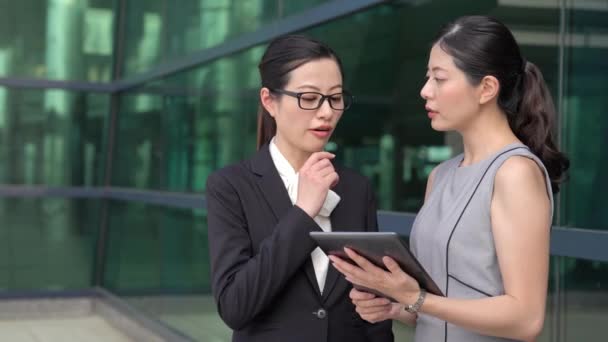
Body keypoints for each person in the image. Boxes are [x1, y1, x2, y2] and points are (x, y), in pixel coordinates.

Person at [329, 15, 569, 342]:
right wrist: (397, 306)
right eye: (428, 77)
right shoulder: (440, 176)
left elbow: (526, 319)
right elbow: (445, 308)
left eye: (439, 78)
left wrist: (417, 298)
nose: (425, 91)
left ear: (486, 88)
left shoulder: (515, 173)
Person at [205, 34, 393, 342]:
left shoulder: (357, 188)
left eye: (335, 97)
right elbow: (235, 306)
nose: (326, 112)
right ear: (270, 101)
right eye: (308, 98)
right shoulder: (231, 186)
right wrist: (303, 212)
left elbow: (374, 311)